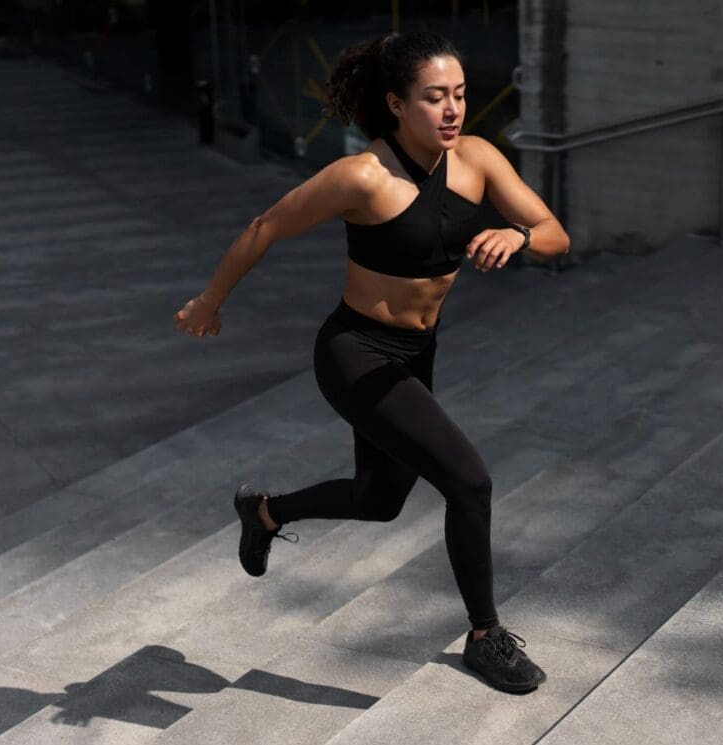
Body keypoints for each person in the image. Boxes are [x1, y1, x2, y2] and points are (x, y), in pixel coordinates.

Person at [173, 30, 570, 694]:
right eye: (434, 97)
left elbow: (557, 235)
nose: (452, 110)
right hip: (356, 352)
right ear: (395, 103)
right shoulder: (363, 175)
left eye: (461, 96)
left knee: (379, 500)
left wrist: (519, 233)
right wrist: (210, 300)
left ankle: (265, 513)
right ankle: (485, 635)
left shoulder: (478, 159)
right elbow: (266, 224)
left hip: (417, 354)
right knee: (469, 481)